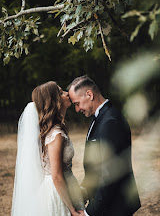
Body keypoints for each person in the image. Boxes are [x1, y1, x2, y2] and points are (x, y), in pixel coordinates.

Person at [68, 75, 141, 216]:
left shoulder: (110, 121)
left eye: (77, 103)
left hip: (114, 207)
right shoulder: (101, 117)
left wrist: (90, 212)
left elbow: (109, 175)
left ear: (89, 94)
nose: (77, 109)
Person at [11, 81, 85, 216]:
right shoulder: (56, 134)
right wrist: (72, 210)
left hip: (63, 187)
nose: (67, 94)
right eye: (62, 93)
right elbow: (56, 176)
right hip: (59, 193)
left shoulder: (55, 129)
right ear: (55, 101)